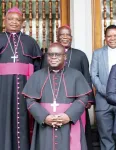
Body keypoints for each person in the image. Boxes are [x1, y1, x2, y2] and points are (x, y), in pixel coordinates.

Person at [22, 43, 91, 150]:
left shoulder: (76, 75)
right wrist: (45, 117)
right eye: (50, 54)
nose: (53, 57)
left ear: (65, 56)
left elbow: (83, 98)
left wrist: (69, 116)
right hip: (45, 125)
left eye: (57, 54)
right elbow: (30, 100)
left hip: (69, 124)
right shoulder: (37, 76)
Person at [42, 25, 94, 150]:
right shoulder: (49, 55)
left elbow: (87, 77)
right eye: (62, 34)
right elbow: (44, 76)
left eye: (68, 35)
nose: (65, 37)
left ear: (71, 37)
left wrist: (89, 99)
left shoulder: (80, 55)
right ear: (57, 36)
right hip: (54, 99)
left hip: (76, 99)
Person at [0, 7, 42, 150]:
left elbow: (38, 68)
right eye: (10, 19)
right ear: (4, 20)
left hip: (26, 88)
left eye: (17, 20)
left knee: (24, 120)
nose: (14, 22)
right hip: (2, 89)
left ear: (22, 23)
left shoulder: (30, 42)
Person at [90, 25, 116, 150]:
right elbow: (93, 75)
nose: (112, 38)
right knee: (105, 136)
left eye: (115, 35)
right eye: (109, 36)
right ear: (105, 38)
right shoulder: (97, 53)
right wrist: (106, 92)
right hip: (103, 100)